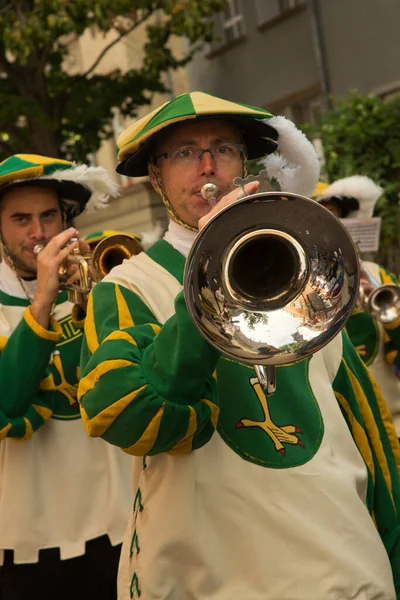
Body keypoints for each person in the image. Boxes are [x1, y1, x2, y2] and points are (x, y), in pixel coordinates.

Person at [78, 92, 400, 600]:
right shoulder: (126, 288)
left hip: (337, 558)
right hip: (211, 571)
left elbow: (364, 429)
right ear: (157, 177)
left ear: (242, 163)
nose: (207, 165)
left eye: (222, 148)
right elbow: (123, 415)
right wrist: (205, 293)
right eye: (185, 152)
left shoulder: (305, 266)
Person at [0, 154, 134, 600]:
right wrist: (43, 297)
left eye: (48, 216)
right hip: (31, 535)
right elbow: (7, 402)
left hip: (121, 518)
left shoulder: (96, 279)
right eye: (21, 219)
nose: (37, 232)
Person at [317, 175, 400, 436]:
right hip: (334, 433)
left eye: (334, 216)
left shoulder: (379, 276)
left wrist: (389, 315)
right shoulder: (285, 287)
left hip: (391, 423)